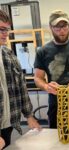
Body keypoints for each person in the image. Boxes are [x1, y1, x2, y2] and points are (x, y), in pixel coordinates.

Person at [34, 10, 69, 129]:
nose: (62, 31)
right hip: (56, 104)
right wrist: (46, 86)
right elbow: (38, 78)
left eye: (64, 26)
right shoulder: (42, 51)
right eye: (57, 27)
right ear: (51, 27)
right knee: (57, 139)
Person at [0, 9, 41, 148]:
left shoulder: (9, 55)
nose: (6, 33)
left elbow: (21, 88)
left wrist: (29, 115)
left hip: (7, 124)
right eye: (1, 29)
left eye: (7, 29)